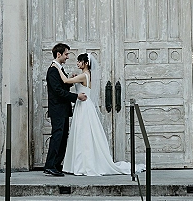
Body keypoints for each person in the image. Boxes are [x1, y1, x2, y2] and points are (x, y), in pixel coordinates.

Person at [53, 53, 145, 176]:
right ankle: (81, 163)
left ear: (86, 63)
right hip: (83, 106)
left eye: (79, 61)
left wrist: (57, 67)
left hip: (83, 107)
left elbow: (65, 80)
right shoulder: (86, 75)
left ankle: (83, 164)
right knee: (83, 133)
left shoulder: (83, 75)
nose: (77, 63)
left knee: (84, 133)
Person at [43, 43, 87, 177]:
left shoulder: (59, 69)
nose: (67, 57)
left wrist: (71, 81)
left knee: (62, 137)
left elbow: (63, 86)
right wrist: (76, 96)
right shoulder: (53, 70)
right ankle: (50, 165)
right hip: (57, 109)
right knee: (57, 136)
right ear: (59, 54)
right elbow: (57, 91)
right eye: (66, 54)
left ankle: (56, 164)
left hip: (63, 108)